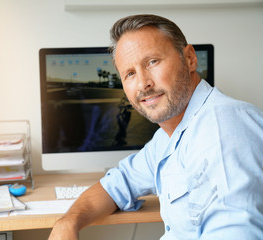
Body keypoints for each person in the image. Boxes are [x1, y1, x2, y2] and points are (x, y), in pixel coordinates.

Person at [48, 14, 263, 240]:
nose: (143, 84)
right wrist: (67, 223)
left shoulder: (222, 129)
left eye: (152, 62)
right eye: (130, 74)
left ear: (190, 58)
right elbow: (117, 184)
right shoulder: (169, 136)